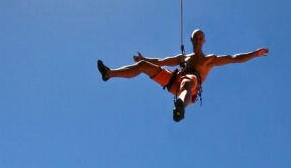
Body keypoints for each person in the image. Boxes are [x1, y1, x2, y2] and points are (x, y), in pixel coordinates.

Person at [97, 29, 269, 122]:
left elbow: (234, 58)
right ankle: (109, 73)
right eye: (195, 38)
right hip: (174, 81)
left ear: (204, 41)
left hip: (189, 88)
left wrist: (254, 53)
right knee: (143, 66)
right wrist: (144, 59)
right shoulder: (183, 57)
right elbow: (162, 61)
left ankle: (180, 106)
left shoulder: (209, 60)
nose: (198, 41)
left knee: (189, 80)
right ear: (192, 40)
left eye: (201, 38)